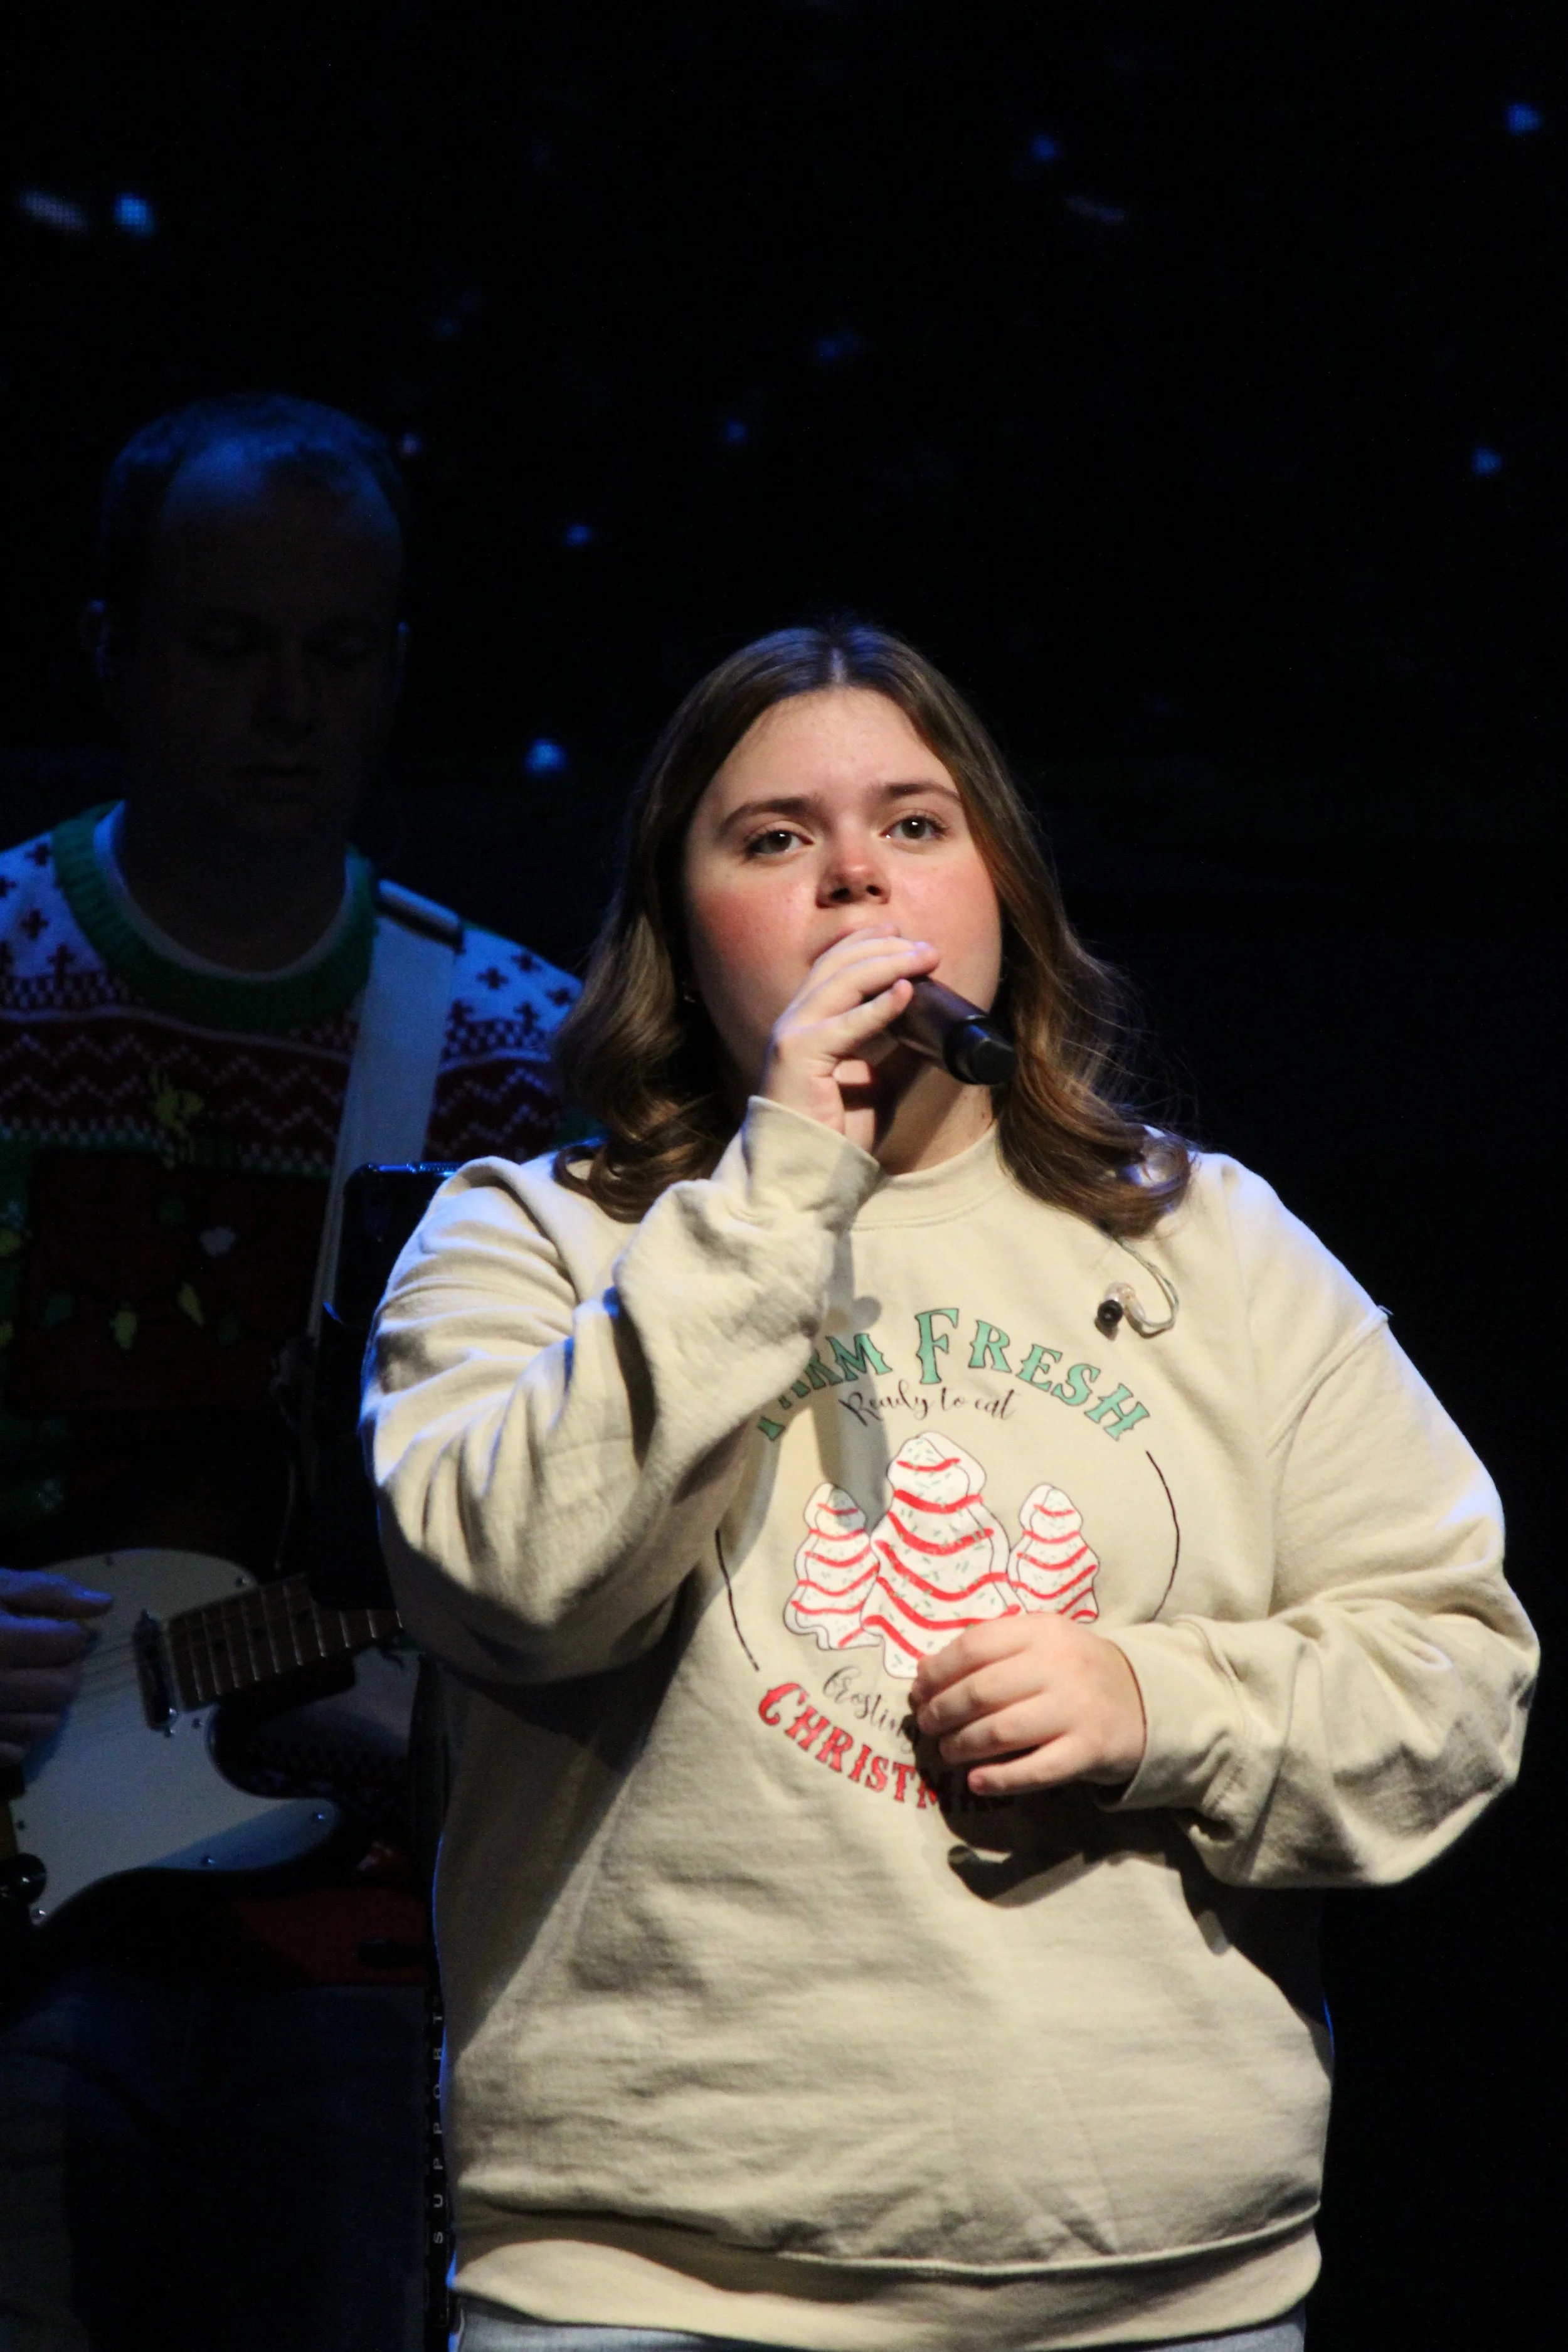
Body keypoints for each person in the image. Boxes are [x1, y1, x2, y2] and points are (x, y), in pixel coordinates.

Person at [363, 623, 1536, 2352]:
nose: (855, 874)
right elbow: (515, 1587)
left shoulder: (1210, 1242)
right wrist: (781, 1186)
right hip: (657, 2286)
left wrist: (1162, 1701)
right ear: (680, 931)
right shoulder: (530, 1238)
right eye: (773, 838)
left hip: (1161, 2289)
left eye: (915, 824)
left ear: (1003, 893)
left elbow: (1455, 1673)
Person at [0, 393, 577, 2352]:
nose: (287, 705)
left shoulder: (518, 1050)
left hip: (360, 1928)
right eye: (231, 643)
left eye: (338, 653)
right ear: (111, 649)